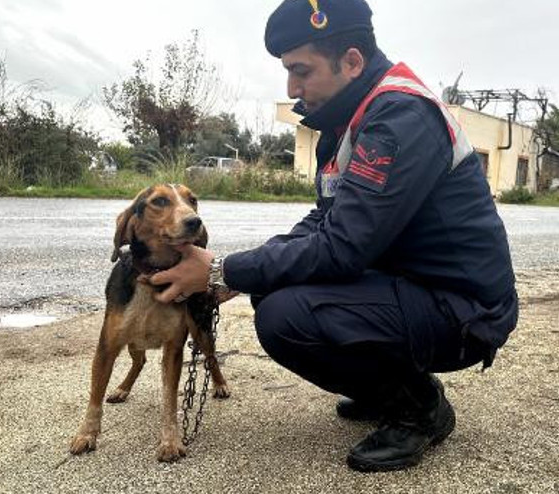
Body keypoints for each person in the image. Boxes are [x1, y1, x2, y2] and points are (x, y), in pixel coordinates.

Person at [149, 0, 518, 472]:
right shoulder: (349, 118)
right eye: (288, 72)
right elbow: (324, 221)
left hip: (463, 310)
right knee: (272, 289)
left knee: (286, 316)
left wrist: (223, 270)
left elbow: (343, 249)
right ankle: (384, 387)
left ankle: (418, 407)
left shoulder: (398, 119)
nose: (292, 87)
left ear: (351, 61)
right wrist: (240, 273)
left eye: (301, 71)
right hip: (414, 287)